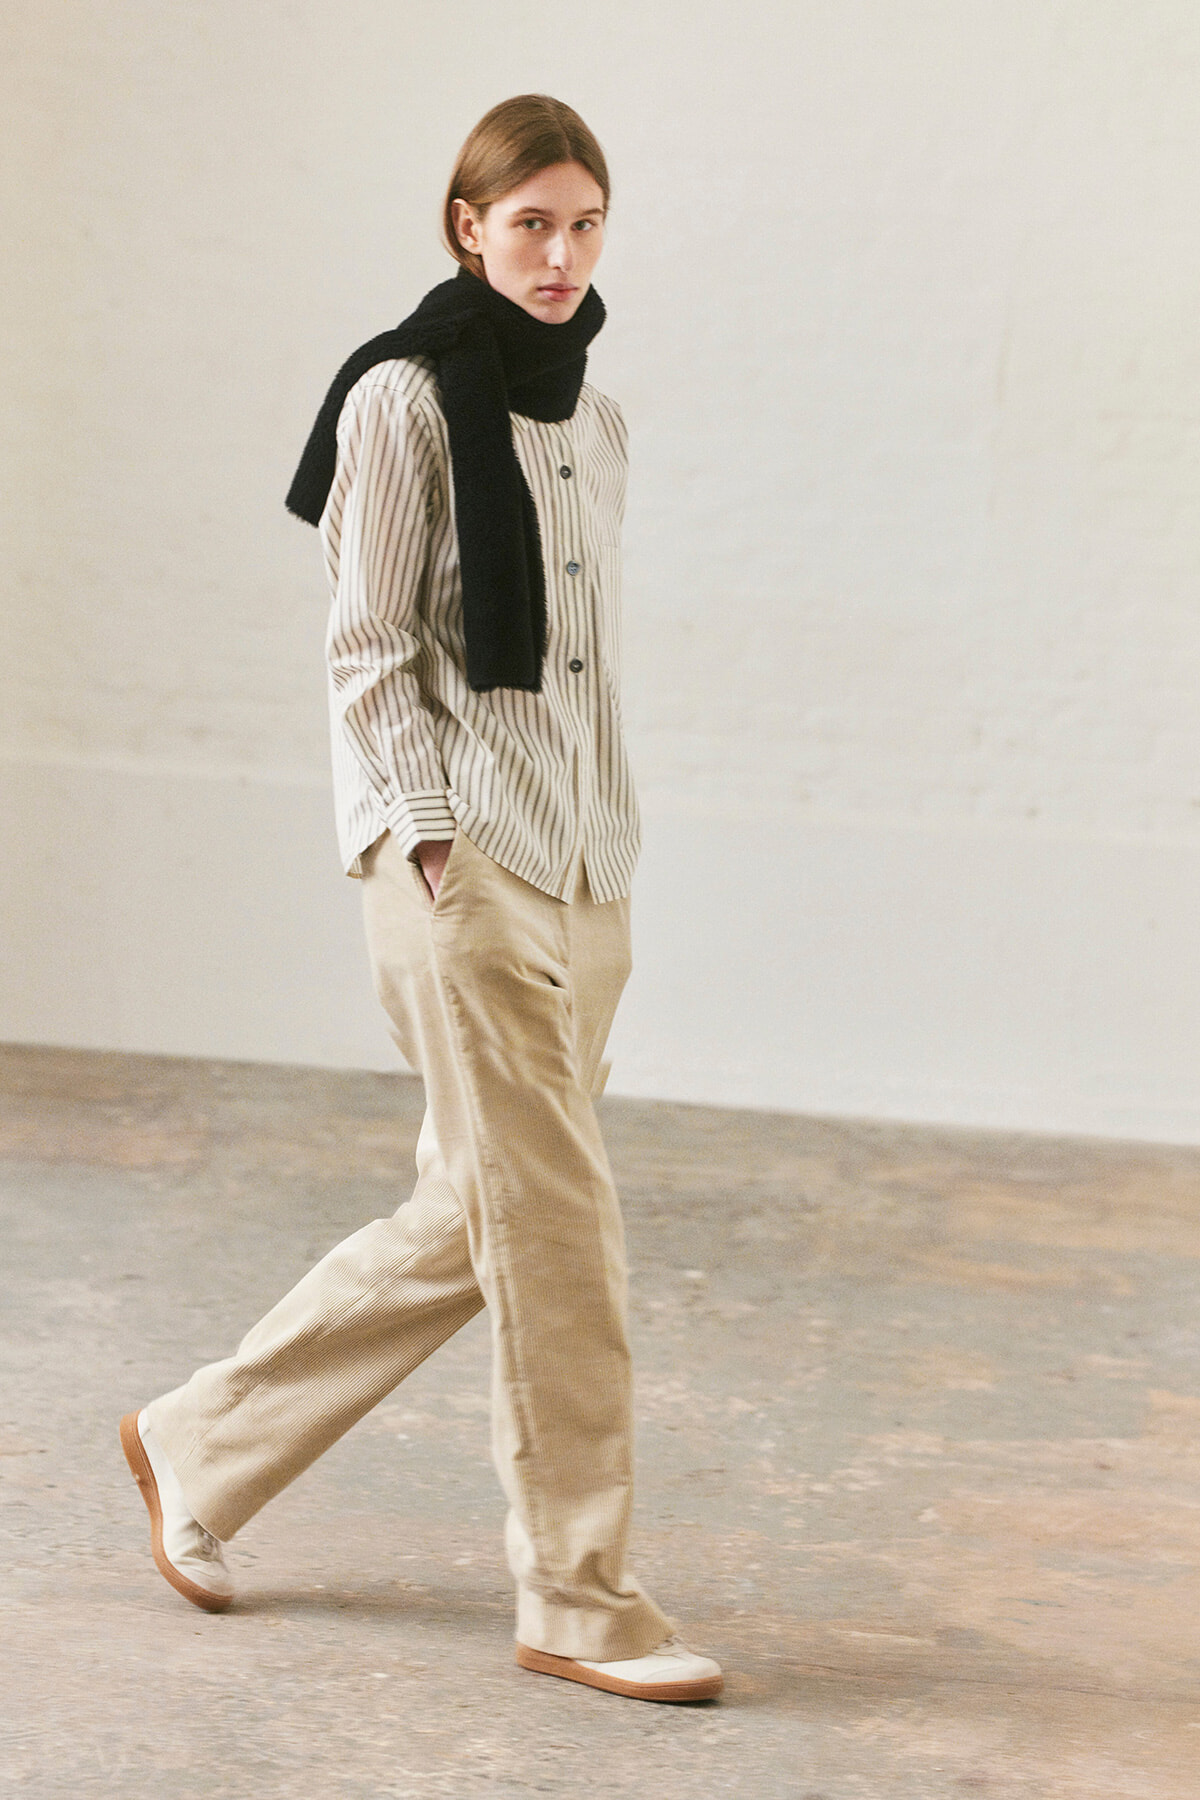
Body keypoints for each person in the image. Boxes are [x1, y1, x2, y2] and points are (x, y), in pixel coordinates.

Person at [120, 94, 723, 1706]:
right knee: (563, 1228)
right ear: (469, 226)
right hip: (463, 869)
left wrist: (611, 845)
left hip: (586, 865)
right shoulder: (400, 399)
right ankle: (577, 1595)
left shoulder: (597, 422)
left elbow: (583, 670)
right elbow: (369, 645)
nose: (559, 252)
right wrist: (440, 840)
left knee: (485, 1215)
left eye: (585, 222)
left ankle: (199, 1443)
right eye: (530, 221)